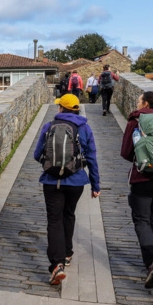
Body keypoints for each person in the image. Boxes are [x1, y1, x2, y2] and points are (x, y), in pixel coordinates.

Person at [34, 94, 101, 285]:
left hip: (51, 181)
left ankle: (57, 264)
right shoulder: (85, 128)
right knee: (69, 215)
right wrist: (95, 185)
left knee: (54, 220)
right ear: (77, 109)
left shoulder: (49, 127)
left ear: (61, 108)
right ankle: (68, 253)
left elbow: (37, 154)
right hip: (77, 181)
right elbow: (92, 159)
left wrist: (51, 165)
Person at [120, 91, 153, 289]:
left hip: (143, 176)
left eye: (138, 99)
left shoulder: (137, 119)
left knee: (142, 219)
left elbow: (126, 152)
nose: (136, 102)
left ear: (145, 103)